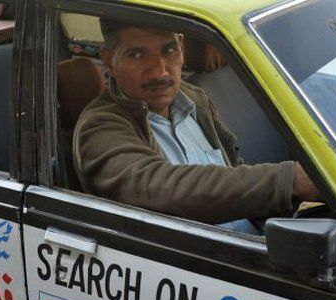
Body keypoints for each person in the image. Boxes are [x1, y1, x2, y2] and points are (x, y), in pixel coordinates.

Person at [73, 19, 321, 233]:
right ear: (109, 62)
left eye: (169, 50)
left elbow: (233, 170)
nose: (160, 71)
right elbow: (159, 191)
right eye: (137, 55)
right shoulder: (99, 126)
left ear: (181, 49)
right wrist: (291, 181)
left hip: (254, 241)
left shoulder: (194, 98)